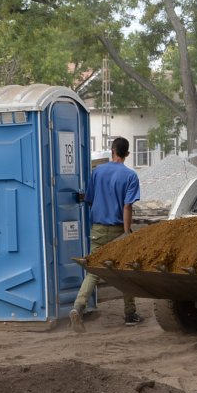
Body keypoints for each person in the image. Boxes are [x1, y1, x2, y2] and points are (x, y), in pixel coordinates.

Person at [72, 136, 142, 330]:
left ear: (112, 151)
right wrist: (127, 232)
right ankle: (130, 314)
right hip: (119, 229)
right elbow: (127, 206)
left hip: (98, 230)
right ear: (127, 154)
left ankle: (78, 307)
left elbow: (90, 199)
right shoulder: (130, 176)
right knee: (124, 272)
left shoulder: (98, 172)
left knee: (94, 270)